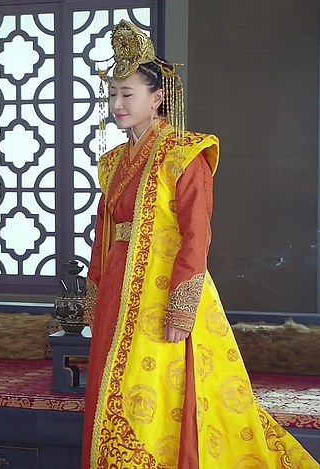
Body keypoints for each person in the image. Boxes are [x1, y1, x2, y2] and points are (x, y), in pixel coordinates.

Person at [81, 21, 319, 468]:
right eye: (111, 94)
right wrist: (96, 291)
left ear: (157, 97)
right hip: (117, 285)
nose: (116, 105)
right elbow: (104, 232)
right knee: (111, 386)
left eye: (127, 94)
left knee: (157, 395)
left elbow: (196, 234)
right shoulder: (112, 162)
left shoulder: (184, 153)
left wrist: (182, 307)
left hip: (162, 291)